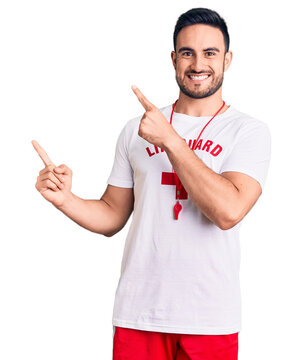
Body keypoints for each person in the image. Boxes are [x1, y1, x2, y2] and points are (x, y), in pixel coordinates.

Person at [32, 7, 271, 360]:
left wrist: (171, 141)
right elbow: (112, 216)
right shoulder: (136, 130)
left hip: (209, 318)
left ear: (228, 59)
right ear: (174, 59)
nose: (198, 63)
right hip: (138, 313)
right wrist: (66, 199)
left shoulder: (248, 131)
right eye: (187, 52)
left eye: (210, 53)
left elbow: (229, 211)